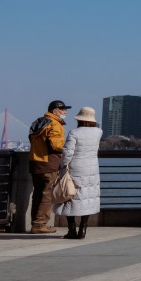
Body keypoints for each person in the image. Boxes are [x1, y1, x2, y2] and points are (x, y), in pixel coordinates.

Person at [54, 107, 103, 240]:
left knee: (69, 196)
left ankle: (71, 230)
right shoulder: (99, 132)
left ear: (79, 119)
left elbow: (68, 153)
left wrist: (63, 165)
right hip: (92, 168)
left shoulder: (74, 133)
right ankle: (83, 229)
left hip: (76, 168)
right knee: (86, 198)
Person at [27, 100, 71, 234]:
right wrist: (66, 147)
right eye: (63, 109)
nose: (65, 112)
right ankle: (40, 224)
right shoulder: (55, 124)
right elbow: (56, 145)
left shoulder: (38, 122)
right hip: (49, 163)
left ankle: (36, 222)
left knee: (38, 193)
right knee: (47, 194)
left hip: (36, 161)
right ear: (54, 111)